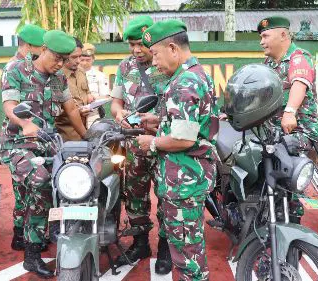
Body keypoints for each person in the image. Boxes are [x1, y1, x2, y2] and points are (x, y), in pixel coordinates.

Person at [0, 30, 87, 278]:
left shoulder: (58, 77)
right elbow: (9, 105)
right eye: (56, 58)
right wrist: (25, 124)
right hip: (18, 142)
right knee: (40, 182)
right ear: (44, 49)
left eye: (64, 59)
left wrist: (86, 135)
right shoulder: (16, 70)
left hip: (47, 142)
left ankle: (33, 230)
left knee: (71, 176)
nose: (59, 64)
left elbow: (70, 107)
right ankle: (32, 252)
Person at [137, 19, 219, 281]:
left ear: (172, 48)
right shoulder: (192, 74)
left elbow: (183, 140)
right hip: (187, 178)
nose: (154, 63)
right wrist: (160, 122)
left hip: (185, 180)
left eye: (156, 55)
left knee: (187, 255)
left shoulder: (185, 82)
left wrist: (151, 142)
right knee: (188, 247)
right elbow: (190, 125)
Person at [110, 15, 171, 274]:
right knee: (134, 194)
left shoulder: (167, 65)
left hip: (164, 143)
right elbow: (116, 102)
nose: (136, 50)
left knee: (167, 194)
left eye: (140, 44)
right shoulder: (125, 67)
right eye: (131, 45)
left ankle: (167, 248)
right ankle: (140, 243)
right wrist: (118, 114)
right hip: (133, 144)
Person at [257, 16, 318, 151]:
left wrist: (289, 113)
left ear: (282, 35)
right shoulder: (268, 63)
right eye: (261, 38)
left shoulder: (298, 57)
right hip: (274, 132)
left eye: (265, 36)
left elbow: (299, 83)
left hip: (300, 131)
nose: (261, 42)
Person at [55, 37, 93, 141]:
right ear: (64, 56)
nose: (78, 61)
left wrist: (90, 100)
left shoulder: (81, 71)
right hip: (66, 136)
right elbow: (51, 110)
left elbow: (87, 92)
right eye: (74, 57)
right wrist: (76, 111)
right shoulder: (56, 76)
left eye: (80, 56)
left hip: (85, 129)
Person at [80, 43, 111, 127]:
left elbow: (105, 96)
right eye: (82, 60)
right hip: (76, 113)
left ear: (93, 59)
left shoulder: (100, 76)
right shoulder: (72, 75)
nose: (84, 63)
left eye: (88, 60)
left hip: (93, 114)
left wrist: (93, 100)